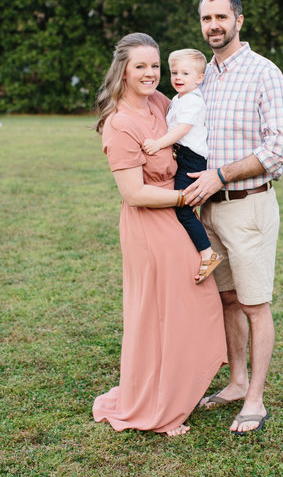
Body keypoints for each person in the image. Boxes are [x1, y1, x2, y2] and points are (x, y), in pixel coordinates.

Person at [92, 32, 226, 437]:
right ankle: (159, 407)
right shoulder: (119, 123)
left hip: (176, 214)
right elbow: (133, 192)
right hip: (150, 222)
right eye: (141, 66)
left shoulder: (160, 103)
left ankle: (176, 392)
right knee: (160, 313)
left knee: (190, 306)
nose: (151, 73)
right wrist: (187, 194)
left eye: (155, 66)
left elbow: (193, 125)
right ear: (124, 70)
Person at [184, 0, 283, 435]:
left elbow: (282, 146)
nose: (213, 25)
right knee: (227, 299)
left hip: (247, 207)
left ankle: (255, 400)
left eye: (221, 17)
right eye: (206, 18)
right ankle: (235, 382)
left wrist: (222, 175)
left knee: (254, 304)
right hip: (206, 211)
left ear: (239, 21)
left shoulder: (263, 73)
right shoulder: (202, 77)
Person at [143, 48, 222, 283]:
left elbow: (181, 130)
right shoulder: (179, 99)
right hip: (183, 153)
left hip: (191, 158)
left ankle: (208, 254)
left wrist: (157, 145)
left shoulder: (193, 102)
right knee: (184, 208)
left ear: (199, 78)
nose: (178, 77)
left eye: (185, 73)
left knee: (184, 209)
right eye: (174, 72)